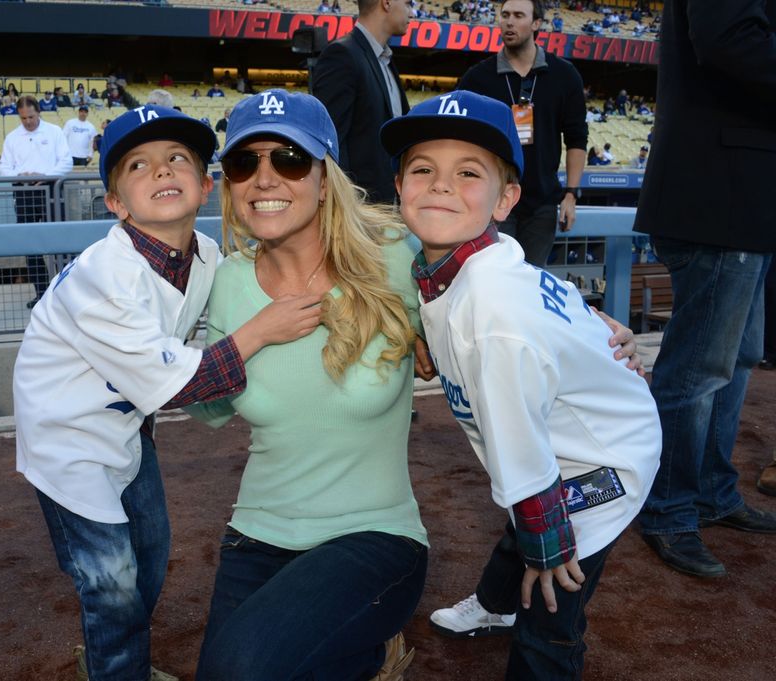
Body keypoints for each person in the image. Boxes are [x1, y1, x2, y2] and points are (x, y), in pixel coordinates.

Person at [14, 104, 321, 681]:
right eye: (138, 165)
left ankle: (116, 653)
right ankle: (116, 667)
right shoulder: (105, 274)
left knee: (150, 559)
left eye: (177, 158)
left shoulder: (204, 254)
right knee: (110, 581)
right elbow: (181, 384)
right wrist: (262, 331)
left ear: (205, 185)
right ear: (115, 203)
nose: (162, 171)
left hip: (125, 428)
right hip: (67, 444)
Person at [382, 89, 660, 679]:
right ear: (400, 186)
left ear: (506, 197)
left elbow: (527, 461)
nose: (439, 185)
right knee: (519, 519)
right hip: (584, 424)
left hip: (601, 458)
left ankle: (533, 628)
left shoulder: (494, 316)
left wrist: (548, 545)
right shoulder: (482, 254)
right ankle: (494, 603)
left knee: (551, 606)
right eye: (423, 169)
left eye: (467, 173)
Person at [191, 89, 427, 681]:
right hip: (256, 531)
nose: (265, 178)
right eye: (245, 163)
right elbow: (211, 412)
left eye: (290, 159)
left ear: (325, 178)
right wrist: (252, 336)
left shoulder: (394, 258)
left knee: (240, 669)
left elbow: (494, 298)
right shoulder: (227, 281)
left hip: (375, 534)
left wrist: (596, 329)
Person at [635, 0, 776, 579]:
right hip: (720, 190)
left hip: (742, 194)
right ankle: (668, 508)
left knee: (736, 359)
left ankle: (714, 491)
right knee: (698, 369)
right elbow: (728, 40)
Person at [457, 0, 588, 266]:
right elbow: (461, 139)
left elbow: (576, 138)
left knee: (530, 282)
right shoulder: (477, 78)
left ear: (536, 24)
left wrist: (571, 194)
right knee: (494, 279)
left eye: (518, 15)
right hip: (492, 199)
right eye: (505, 15)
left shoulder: (564, 75)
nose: (509, 21)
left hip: (541, 203)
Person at [312, 0, 411, 204]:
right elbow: (331, 144)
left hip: (389, 205)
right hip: (360, 212)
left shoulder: (386, 61)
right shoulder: (342, 55)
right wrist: (347, 208)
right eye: (408, 3)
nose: (412, 13)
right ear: (387, 3)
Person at [0, 95, 72, 308]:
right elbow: (3, 167)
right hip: (24, 193)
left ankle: (64, 293)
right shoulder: (12, 137)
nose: (28, 122)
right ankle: (42, 293)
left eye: (31, 116)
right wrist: (20, 176)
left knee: (59, 241)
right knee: (30, 244)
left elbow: (66, 162)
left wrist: (45, 174)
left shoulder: (55, 132)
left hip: (51, 189)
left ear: (38, 112)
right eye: (23, 118)